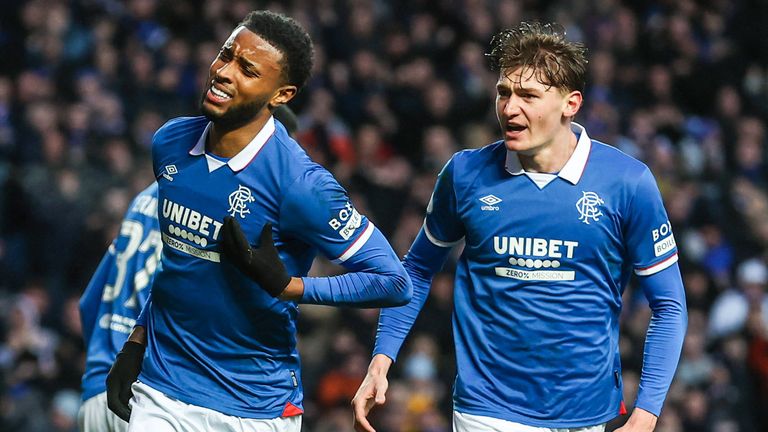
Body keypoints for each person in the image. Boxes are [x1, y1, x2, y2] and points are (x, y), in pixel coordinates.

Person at [352, 22, 687, 432]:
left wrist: (648, 410)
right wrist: (381, 359)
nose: (510, 108)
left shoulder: (627, 183)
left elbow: (669, 305)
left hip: (586, 413)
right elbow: (417, 271)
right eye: (504, 93)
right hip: (486, 409)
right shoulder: (465, 174)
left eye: (529, 96)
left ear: (571, 103)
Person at [105, 11, 411, 432]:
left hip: (255, 404)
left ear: (281, 94)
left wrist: (290, 287)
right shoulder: (170, 143)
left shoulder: (301, 185)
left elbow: (393, 281)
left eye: (248, 70)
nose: (225, 72)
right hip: (163, 389)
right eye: (225, 55)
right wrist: (137, 343)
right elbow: (179, 264)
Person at [77, 106, 299, 432]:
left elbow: (89, 303)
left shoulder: (150, 195)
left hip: (99, 390)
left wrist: (105, 365)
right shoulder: (231, 205)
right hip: (155, 391)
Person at [78, 182, 161, 432]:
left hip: (96, 395)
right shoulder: (204, 198)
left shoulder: (144, 198)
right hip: (148, 401)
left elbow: (88, 304)